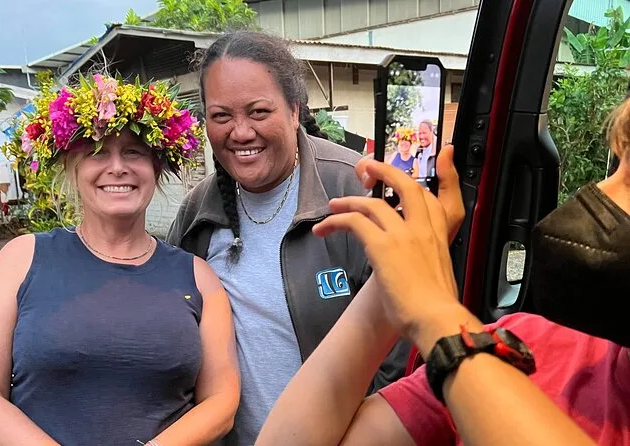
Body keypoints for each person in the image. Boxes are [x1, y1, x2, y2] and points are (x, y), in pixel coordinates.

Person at [256, 144, 606, 445]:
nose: (600, 194)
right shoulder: (528, 342)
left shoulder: (486, 349)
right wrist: (398, 273)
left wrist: (437, 317)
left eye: (629, 178)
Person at [0, 74, 240, 445]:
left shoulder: (197, 277)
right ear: (72, 167)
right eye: (97, 152)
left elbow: (221, 401)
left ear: (157, 169)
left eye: (134, 152)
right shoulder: (21, 259)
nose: (117, 167)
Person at [166, 31, 409, 445]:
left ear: (294, 110)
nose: (241, 132)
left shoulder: (354, 191)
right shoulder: (198, 214)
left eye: (259, 112)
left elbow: (401, 355)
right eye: (221, 116)